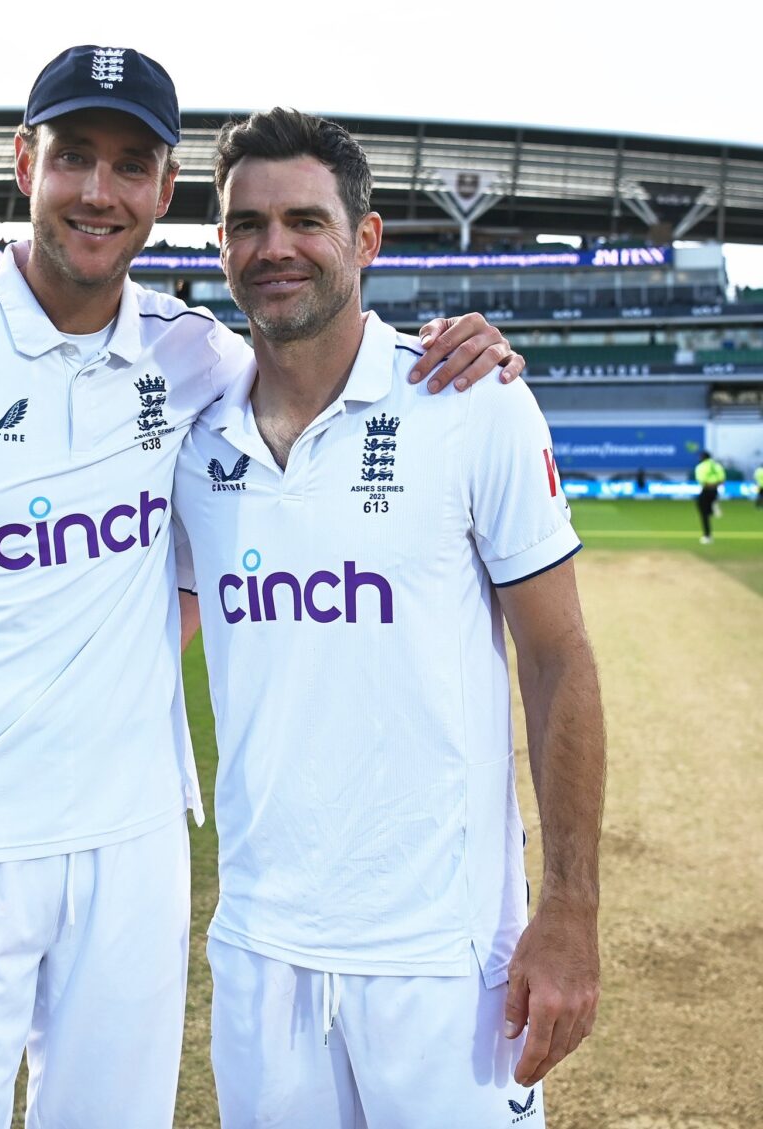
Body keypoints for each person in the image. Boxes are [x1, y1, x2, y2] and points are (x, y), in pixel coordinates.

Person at [0, 46, 526, 1129]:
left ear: (167, 194)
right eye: (74, 157)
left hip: (134, 848)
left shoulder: (201, 357)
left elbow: (319, 381)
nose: (98, 191)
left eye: (131, 165)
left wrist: (470, 345)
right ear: (26, 162)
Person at [169, 108, 604, 1128]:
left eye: (305, 221)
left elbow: (557, 655)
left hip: (442, 961)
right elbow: (127, 608)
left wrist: (573, 904)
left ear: (365, 240)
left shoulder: (469, 400)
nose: (274, 247)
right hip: (261, 949)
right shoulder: (194, 436)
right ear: (220, 246)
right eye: (246, 224)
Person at [694, 448, 726, 543]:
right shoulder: (717, 465)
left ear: (703, 457)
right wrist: (715, 485)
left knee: (703, 513)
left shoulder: (701, 467)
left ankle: (707, 536)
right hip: (715, 491)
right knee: (706, 508)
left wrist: (709, 485)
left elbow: (702, 481)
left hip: (706, 490)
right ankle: (713, 505)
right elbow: (722, 479)